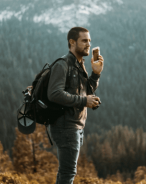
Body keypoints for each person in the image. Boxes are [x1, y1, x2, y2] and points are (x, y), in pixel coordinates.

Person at [47, 26, 104, 184]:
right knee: (68, 173)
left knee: (66, 173)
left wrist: (96, 74)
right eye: (84, 41)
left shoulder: (79, 65)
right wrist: (85, 101)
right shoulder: (63, 64)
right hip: (65, 127)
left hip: (76, 126)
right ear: (72, 42)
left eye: (89, 41)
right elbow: (54, 93)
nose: (88, 44)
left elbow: (86, 90)